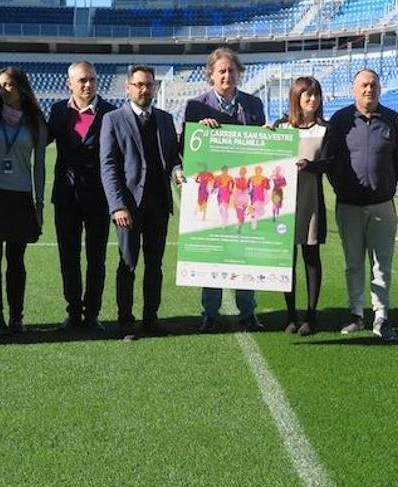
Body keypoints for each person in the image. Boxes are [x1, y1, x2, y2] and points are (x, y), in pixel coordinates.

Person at [307, 69, 398, 342]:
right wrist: (343, 186)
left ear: (379, 89)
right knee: (353, 263)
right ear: (354, 89)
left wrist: (384, 185)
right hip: (349, 205)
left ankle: (381, 316)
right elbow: (329, 160)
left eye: (373, 85)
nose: (369, 89)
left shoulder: (391, 119)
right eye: (364, 85)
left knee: (382, 264)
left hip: (382, 205)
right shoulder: (341, 120)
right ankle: (356, 313)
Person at [184, 47, 266, 333]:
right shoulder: (196, 107)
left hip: (244, 192)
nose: (227, 75)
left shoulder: (254, 105)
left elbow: (263, 149)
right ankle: (210, 311)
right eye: (221, 71)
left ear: (239, 73)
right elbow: (187, 148)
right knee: (213, 252)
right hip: (214, 192)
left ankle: (248, 311)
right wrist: (201, 132)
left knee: (245, 252)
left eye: (231, 70)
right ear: (211, 75)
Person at [100, 65, 184, 341]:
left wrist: (177, 171)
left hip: (159, 204)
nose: (144, 90)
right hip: (129, 207)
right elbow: (109, 166)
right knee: (127, 264)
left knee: (155, 265)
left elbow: (172, 158)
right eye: (138, 85)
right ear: (128, 88)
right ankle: (125, 322)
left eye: (148, 85)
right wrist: (117, 206)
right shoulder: (113, 119)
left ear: (155, 88)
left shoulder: (165, 118)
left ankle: (151, 319)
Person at [0, 67, 46, 334]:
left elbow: (39, 167)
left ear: (22, 87)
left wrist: (39, 205)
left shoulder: (36, 120)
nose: (3, 90)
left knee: (16, 261)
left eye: (9, 85)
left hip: (21, 197)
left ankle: (16, 318)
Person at [48, 60, 117, 333]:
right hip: (65, 197)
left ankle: (92, 314)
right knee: (69, 257)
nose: (87, 85)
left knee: (96, 258)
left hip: (99, 198)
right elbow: (39, 139)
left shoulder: (111, 113)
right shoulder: (57, 112)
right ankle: (73, 311)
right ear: (70, 84)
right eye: (82, 81)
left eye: (91, 80)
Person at [273, 76, 328, 336]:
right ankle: (290, 315)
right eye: (307, 95)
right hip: (282, 201)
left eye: (316, 95)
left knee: (311, 256)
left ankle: (311, 315)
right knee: (286, 259)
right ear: (296, 97)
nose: (312, 100)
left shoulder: (324, 129)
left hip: (311, 199)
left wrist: (311, 165)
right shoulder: (281, 126)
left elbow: (330, 163)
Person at [248, 165, 270, 230]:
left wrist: (266, 184)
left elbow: (268, 187)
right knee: (253, 211)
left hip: (260, 197)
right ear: (255, 171)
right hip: (254, 197)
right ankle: (253, 224)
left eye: (259, 170)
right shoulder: (251, 178)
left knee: (259, 211)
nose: (258, 171)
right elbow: (248, 187)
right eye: (257, 170)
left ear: (261, 171)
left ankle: (255, 220)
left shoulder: (264, 178)